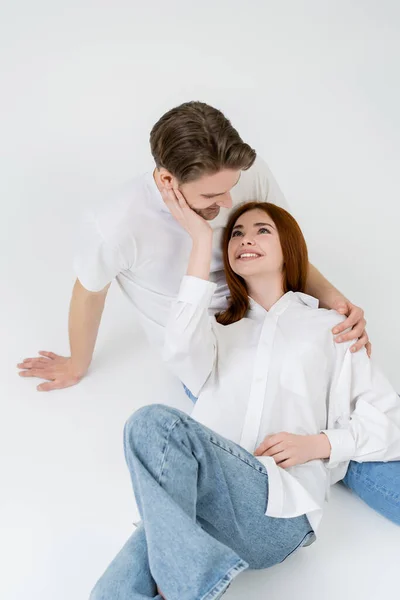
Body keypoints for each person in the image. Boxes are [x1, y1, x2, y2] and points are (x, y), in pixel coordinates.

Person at [89, 199, 400, 600]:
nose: (244, 239)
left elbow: (390, 423)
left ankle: (185, 586)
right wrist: (202, 241)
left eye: (261, 231)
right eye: (236, 233)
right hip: (196, 512)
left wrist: (318, 445)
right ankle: (185, 580)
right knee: (109, 594)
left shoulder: (332, 330)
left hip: (278, 506)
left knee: (154, 424)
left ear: (288, 247)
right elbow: (178, 344)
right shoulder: (217, 332)